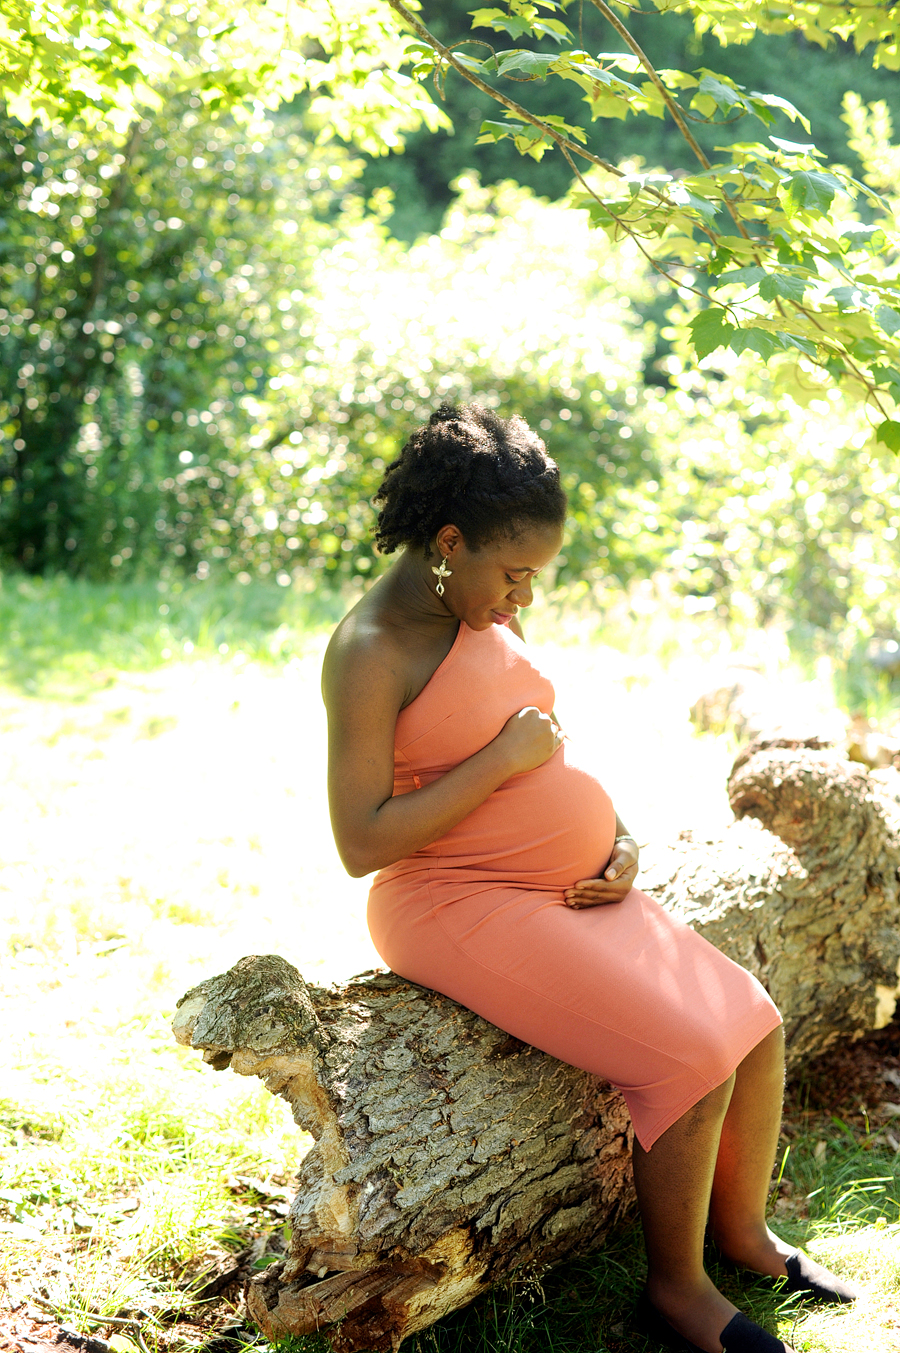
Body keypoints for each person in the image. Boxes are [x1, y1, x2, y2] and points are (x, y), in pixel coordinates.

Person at [321, 403, 859, 1353]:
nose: (523, 598)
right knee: (689, 1061)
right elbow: (361, 839)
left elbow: (537, 745)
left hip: (561, 886)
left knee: (756, 1021)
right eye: (514, 574)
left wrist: (615, 834)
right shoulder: (372, 651)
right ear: (449, 542)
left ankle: (742, 1234)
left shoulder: (466, 604)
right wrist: (503, 764)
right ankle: (677, 1287)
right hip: (451, 900)